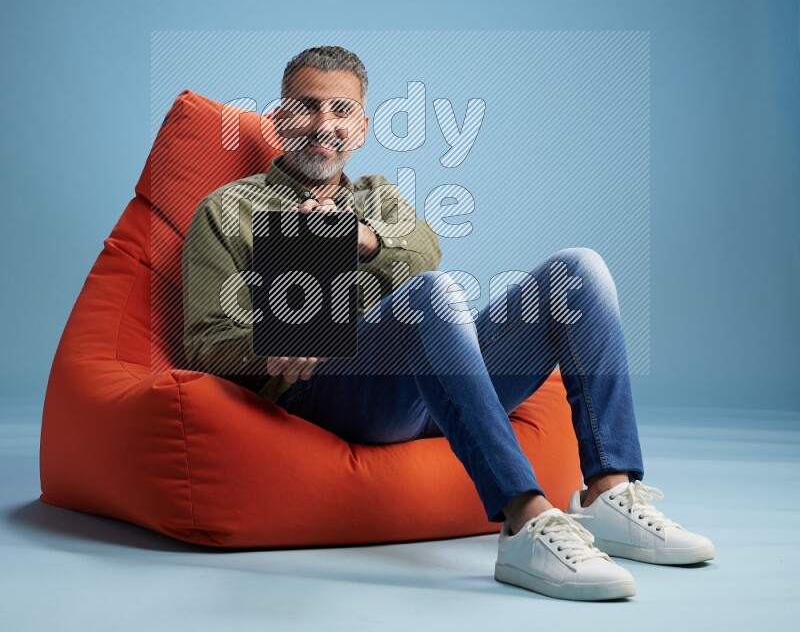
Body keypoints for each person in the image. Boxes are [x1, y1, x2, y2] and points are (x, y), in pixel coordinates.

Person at [182, 44, 715, 602]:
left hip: (433, 391)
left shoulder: (378, 197)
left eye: (341, 111)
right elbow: (204, 345)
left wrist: (363, 239)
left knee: (579, 271)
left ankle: (608, 493)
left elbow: (425, 255)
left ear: (361, 128)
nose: (324, 125)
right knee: (431, 295)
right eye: (307, 107)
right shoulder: (227, 209)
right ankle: (525, 520)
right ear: (278, 119)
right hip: (330, 395)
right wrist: (271, 347)